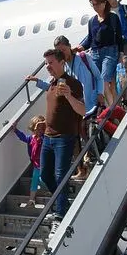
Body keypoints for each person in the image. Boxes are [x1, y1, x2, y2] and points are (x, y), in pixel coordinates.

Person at [27, 35, 104, 180]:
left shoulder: (83, 58)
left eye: (63, 49)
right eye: (59, 51)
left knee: (88, 133)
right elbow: (54, 89)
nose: (62, 52)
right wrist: (38, 82)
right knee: (76, 136)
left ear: (69, 46)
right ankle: (83, 168)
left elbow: (98, 77)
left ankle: (92, 163)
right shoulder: (64, 67)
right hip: (77, 106)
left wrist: (100, 93)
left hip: (91, 103)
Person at [39, 48, 86, 237]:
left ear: (61, 62)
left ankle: (59, 217)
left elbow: (83, 111)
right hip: (48, 137)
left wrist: (68, 95)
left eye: (50, 63)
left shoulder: (73, 84)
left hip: (64, 138)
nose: (47, 66)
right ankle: (63, 205)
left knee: (61, 176)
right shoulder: (51, 84)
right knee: (45, 175)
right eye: (46, 63)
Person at [75, 0, 123, 105]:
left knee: (104, 80)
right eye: (93, 5)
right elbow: (90, 39)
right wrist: (81, 47)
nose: (95, 7)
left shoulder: (113, 17)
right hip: (95, 53)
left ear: (104, 3)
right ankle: (104, 107)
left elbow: (119, 38)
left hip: (110, 52)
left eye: (97, 4)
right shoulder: (92, 21)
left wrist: (121, 54)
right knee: (95, 81)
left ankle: (111, 110)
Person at [12, 115, 46, 206]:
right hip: (35, 164)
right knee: (34, 181)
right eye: (37, 129)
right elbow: (23, 137)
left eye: (41, 129)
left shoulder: (44, 139)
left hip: (44, 164)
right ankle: (31, 199)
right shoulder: (31, 138)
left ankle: (51, 190)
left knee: (42, 179)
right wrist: (15, 130)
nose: (39, 131)